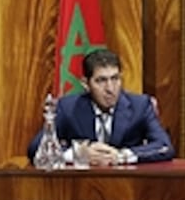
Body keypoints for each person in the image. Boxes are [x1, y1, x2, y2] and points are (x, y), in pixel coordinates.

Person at [27, 49, 175, 166]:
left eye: (115, 79)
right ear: (86, 84)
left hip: (129, 188)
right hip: (80, 190)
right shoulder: (68, 107)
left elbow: (164, 147)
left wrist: (121, 155)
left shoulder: (140, 106)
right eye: (101, 81)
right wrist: (80, 153)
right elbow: (36, 148)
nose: (110, 88)